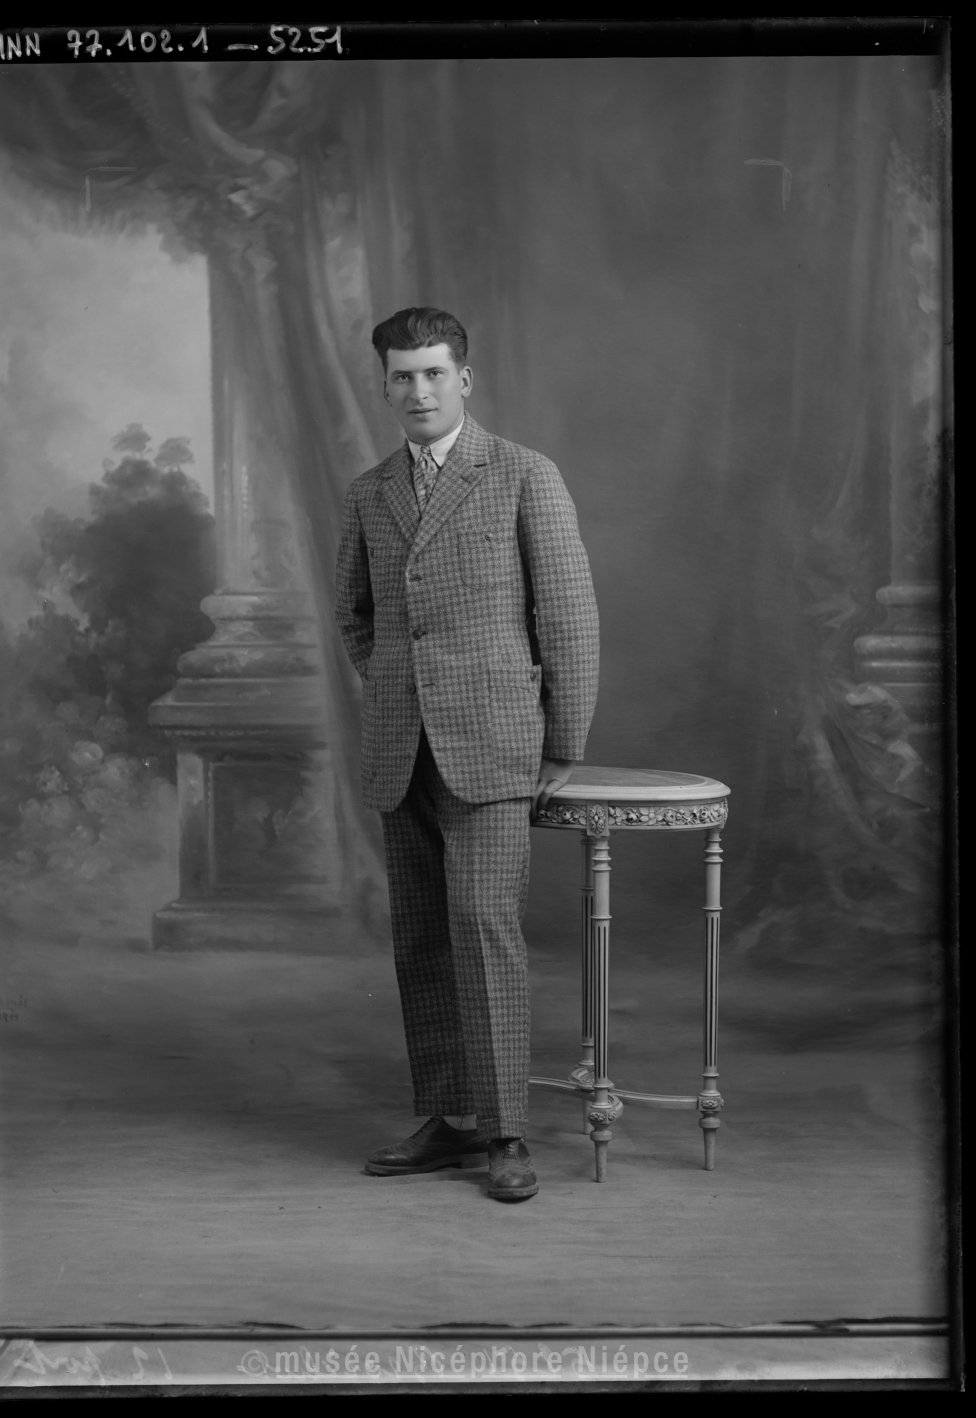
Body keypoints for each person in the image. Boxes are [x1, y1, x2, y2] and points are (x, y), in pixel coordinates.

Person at [335, 307, 598, 1201]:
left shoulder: (523, 474)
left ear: (464, 380)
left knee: (484, 929)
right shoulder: (370, 491)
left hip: (493, 748)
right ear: (385, 386)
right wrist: (398, 689)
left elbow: (568, 616)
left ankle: (506, 1132)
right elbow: (357, 617)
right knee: (421, 938)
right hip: (399, 747)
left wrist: (560, 740)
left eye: (433, 374)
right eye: (402, 377)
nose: (418, 391)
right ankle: (449, 1120)